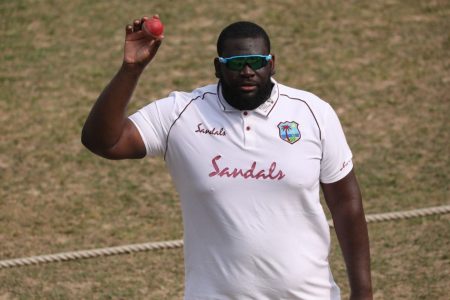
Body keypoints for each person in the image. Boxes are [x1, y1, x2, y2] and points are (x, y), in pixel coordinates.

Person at [81, 16, 373, 300]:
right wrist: (131, 70)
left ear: (271, 64)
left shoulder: (313, 113)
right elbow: (104, 142)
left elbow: (346, 203)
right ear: (217, 69)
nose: (247, 71)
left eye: (257, 62)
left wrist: (363, 292)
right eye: (235, 64)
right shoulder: (180, 114)